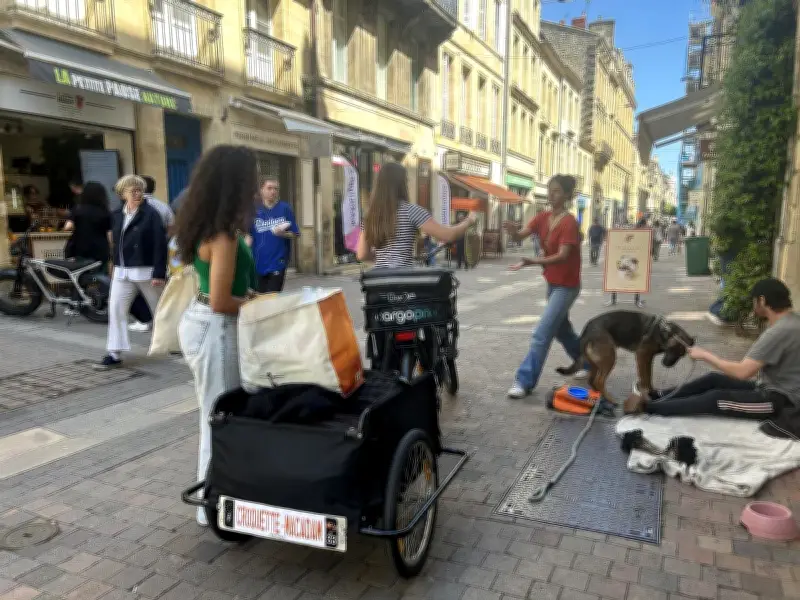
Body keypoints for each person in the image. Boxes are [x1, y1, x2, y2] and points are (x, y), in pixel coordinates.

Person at [175, 145, 258, 525]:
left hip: (205, 322)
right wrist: (260, 302)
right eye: (250, 180)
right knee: (220, 417)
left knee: (216, 414)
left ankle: (220, 499)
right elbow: (223, 301)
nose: (254, 188)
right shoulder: (223, 236)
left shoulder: (208, 226)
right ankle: (214, 507)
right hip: (216, 327)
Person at [625, 278, 800, 439]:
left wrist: (704, 355)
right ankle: (657, 395)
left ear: (762, 300)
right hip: (770, 388)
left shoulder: (780, 331)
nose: (753, 305)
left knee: (717, 399)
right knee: (713, 379)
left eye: (753, 301)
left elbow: (742, 372)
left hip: (782, 402)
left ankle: (649, 407)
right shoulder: (793, 322)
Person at [502, 175, 588, 399]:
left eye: (557, 190)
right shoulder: (542, 217)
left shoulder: (569, 223)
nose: (551, 194)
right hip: (553, 283)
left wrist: (533, 261)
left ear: (567, 195)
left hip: (567, 286)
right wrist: (512, 230)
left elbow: (563, 255)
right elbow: (520, 235)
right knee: (562, 330)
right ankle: (588, 363)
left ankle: (524, 381)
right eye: (550, 190)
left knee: (542, 333)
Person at [96, 175, 167, 370]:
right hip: (122, 271)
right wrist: (113, 264)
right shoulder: (117, 214)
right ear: (123, 194)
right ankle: (114, 353)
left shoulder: (151, 214)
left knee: (161, 309)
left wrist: (159, 273)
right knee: (116, 309)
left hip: (146, 270)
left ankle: (176, 342)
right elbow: (116, 244)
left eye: (139, 190)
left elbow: (160, 244)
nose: (137, 193)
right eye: (133, 190)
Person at [357, 162, 477, 268]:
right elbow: (449, 235)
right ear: (402, 184)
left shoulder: (370, 216)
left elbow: (362, 255)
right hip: (403, 280)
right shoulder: (412, 211)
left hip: (379, 281)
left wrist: (384, 261)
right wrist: (469, 220)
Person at [128, 176, 175, 333]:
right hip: (159, 254)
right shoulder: (163, 206)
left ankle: (149, 321)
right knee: (158, 292)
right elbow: (172, 228)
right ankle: (162, 324)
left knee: (142, 291)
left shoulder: (133, 207)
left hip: (137, 258)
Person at [247, 177, 299, 293]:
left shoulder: (285, 208)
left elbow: (295, 234)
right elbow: (249, 236)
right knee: (259, 297)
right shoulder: (255, 210)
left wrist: (283, 234)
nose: (273, 191)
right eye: (269, 188)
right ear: (262, 190)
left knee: (273, 297)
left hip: (278, 262)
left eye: (275, 189)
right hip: (258, 263)